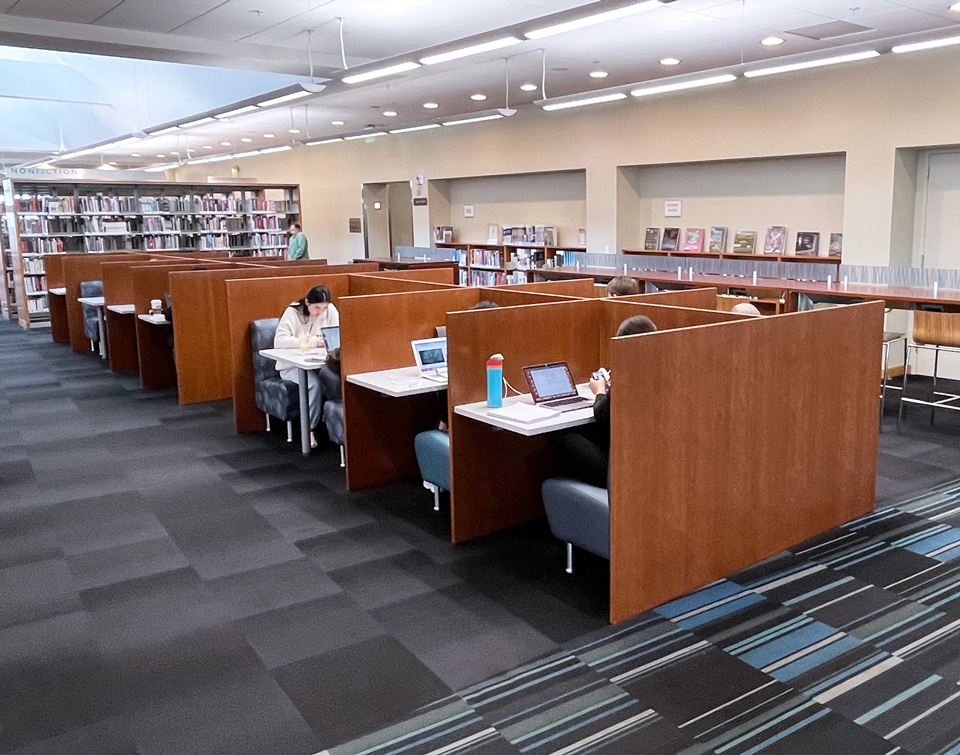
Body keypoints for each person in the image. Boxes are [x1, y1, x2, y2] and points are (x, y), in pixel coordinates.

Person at [551, 314, 657, 488]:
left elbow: (602, 414)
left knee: (557, 433)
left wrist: (599, 390)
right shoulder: (662, 371)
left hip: (618, 468)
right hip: (646, 465)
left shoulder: (631, 376)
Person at [274, 285, 339, 448]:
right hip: (291, 365)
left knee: (332, 379)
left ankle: (333, 422)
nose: (321, 312)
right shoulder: (292, 312)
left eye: (324, 308)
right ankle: (309, 429)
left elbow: (337, 335)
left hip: (319, 362)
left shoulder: (330, 310)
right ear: (307, 302)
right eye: (317, 307)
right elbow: (279, 342)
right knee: (313, 385)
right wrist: (311, 342)